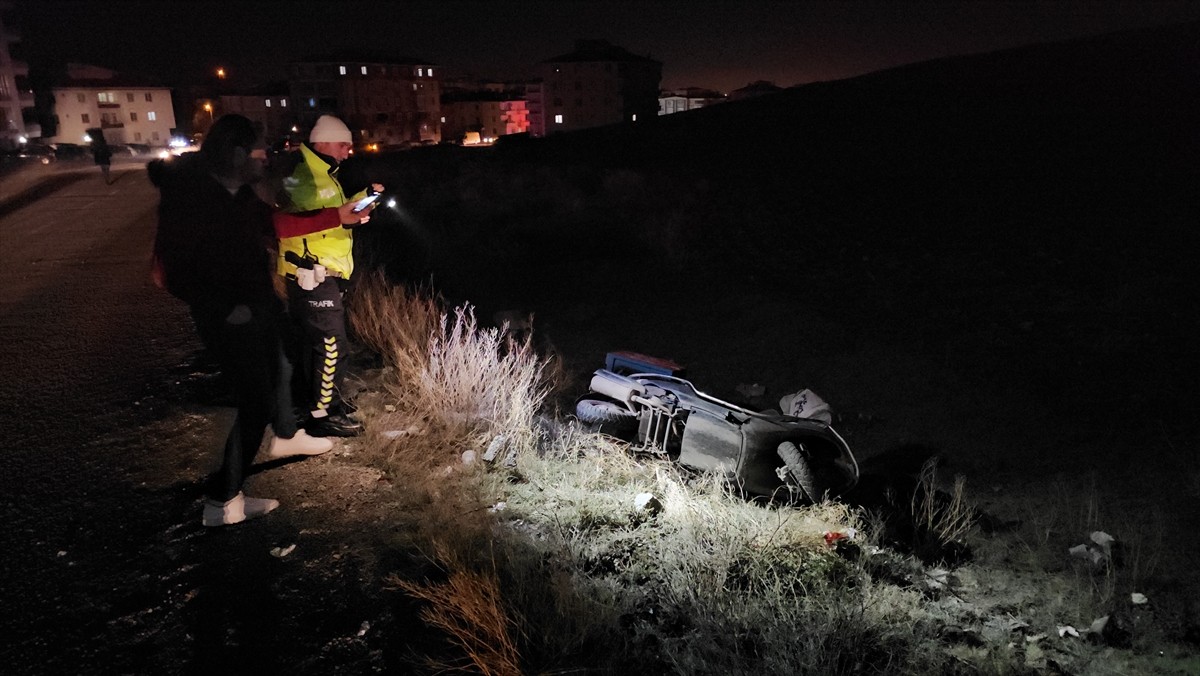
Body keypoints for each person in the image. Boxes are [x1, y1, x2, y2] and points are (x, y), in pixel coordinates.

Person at [150, 114, 333, 528]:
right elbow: (166, 271)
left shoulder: (241, 195)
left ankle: (285, 437)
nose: (266, 158)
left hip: (259, 305)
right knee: (256, 402)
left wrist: (339, 215)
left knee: (283, 363)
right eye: (259, 151)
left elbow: (276, 224)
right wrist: (222, 308)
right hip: (229, 319)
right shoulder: (191, 200)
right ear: (236, 154)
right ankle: (223, 499)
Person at [272, 114, 381, 438]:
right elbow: (292, 219)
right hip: (311, 274)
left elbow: (330, 214)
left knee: (316, 345)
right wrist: (341, 218)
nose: (349, 151)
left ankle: (322, 403)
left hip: (323, 273)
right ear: (323, 142)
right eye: (343, 144)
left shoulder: (324, 174)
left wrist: (359, 201)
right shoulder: (304, 174)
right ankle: (324, 415)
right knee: (333, 345)